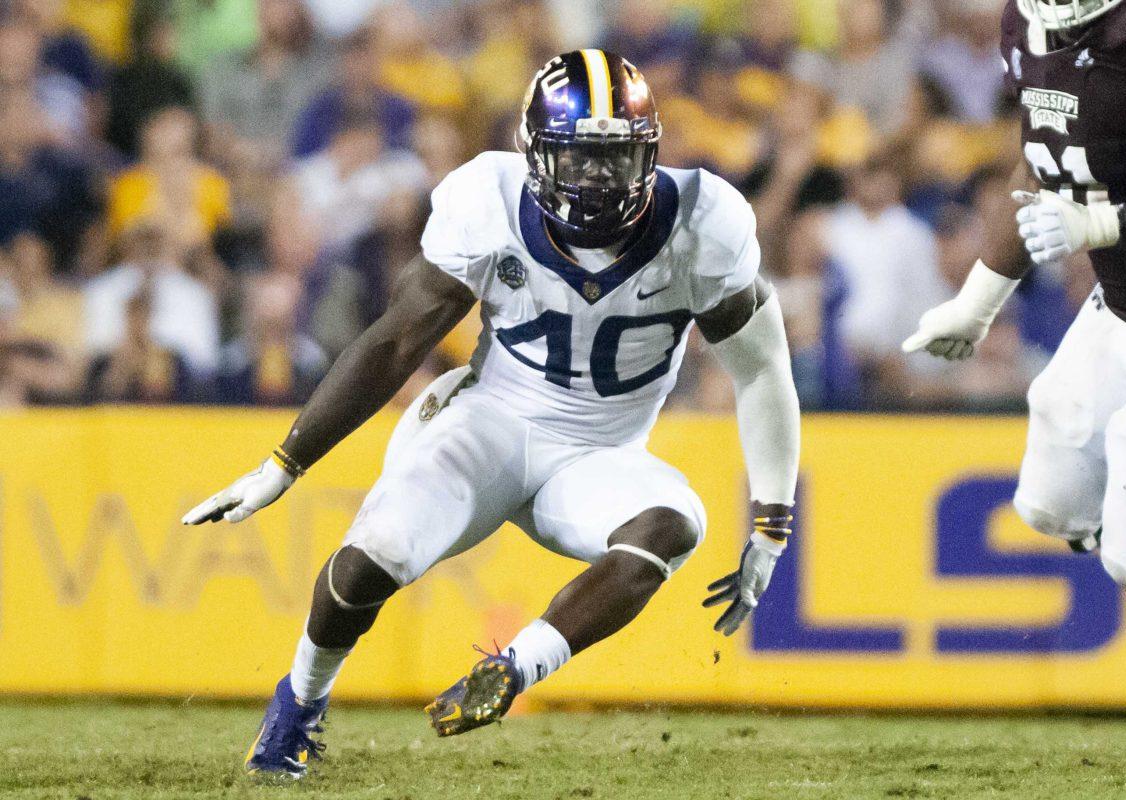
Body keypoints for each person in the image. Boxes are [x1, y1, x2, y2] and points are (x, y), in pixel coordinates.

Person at [183, 49, 800, 778]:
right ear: (534, 152)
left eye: (617, 159)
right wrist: (285, 463)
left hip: (601, 453)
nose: (600, 180)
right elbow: (395, 342)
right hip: (492, 423)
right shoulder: (488, 199)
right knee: (370, 559)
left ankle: (511, 670)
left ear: (652, 153)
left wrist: (771, 518)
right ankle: (299, 702)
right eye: (580, 158)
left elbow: (762, 368)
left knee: (675, 524)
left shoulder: (706, 220)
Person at [902, 0, 1126, 759]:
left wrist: (1105, 227)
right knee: (1051, 500)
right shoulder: (1026, 24)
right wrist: (976, 302)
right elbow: (1040, 160)